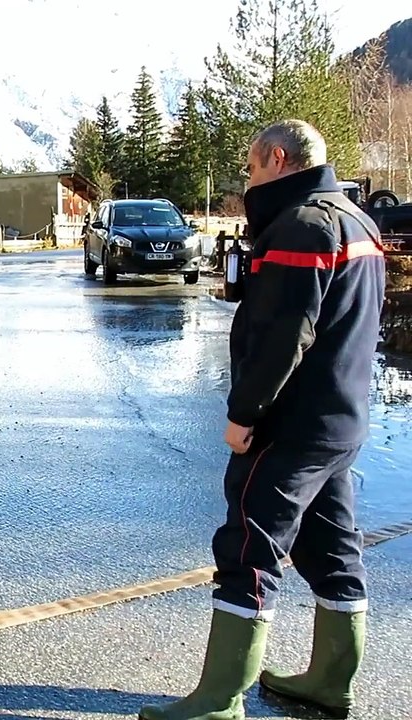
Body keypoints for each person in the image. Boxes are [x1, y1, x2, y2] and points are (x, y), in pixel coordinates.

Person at [138, 119, 385, 720]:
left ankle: (220, 698)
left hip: (290, 426)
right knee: (332, 546)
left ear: (277, 158)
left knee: (249, 547)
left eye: (251, 168)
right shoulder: (360, 221)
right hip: (340, 422)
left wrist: (245, 414)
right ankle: (332, 681)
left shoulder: (303, 226)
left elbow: (283, 337)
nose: (249, 180)